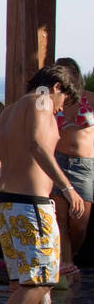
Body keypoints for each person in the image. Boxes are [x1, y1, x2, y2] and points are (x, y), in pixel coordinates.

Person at [0, 64, 84, 304]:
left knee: (36, 280)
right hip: (31, 205)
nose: (61, 108)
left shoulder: (9, 112)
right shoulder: (40, 101)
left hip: (8, 204)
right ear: (58, 88)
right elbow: (36, 144)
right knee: (41, 279)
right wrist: (67, 188)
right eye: (65, 101)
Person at [53, 57, 91, 283]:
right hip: (58, 160)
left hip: (84, 165)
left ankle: (72, 255)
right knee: (60, 219)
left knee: (79, 224)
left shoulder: (89, 100)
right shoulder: (53, 101)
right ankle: (66, 264)